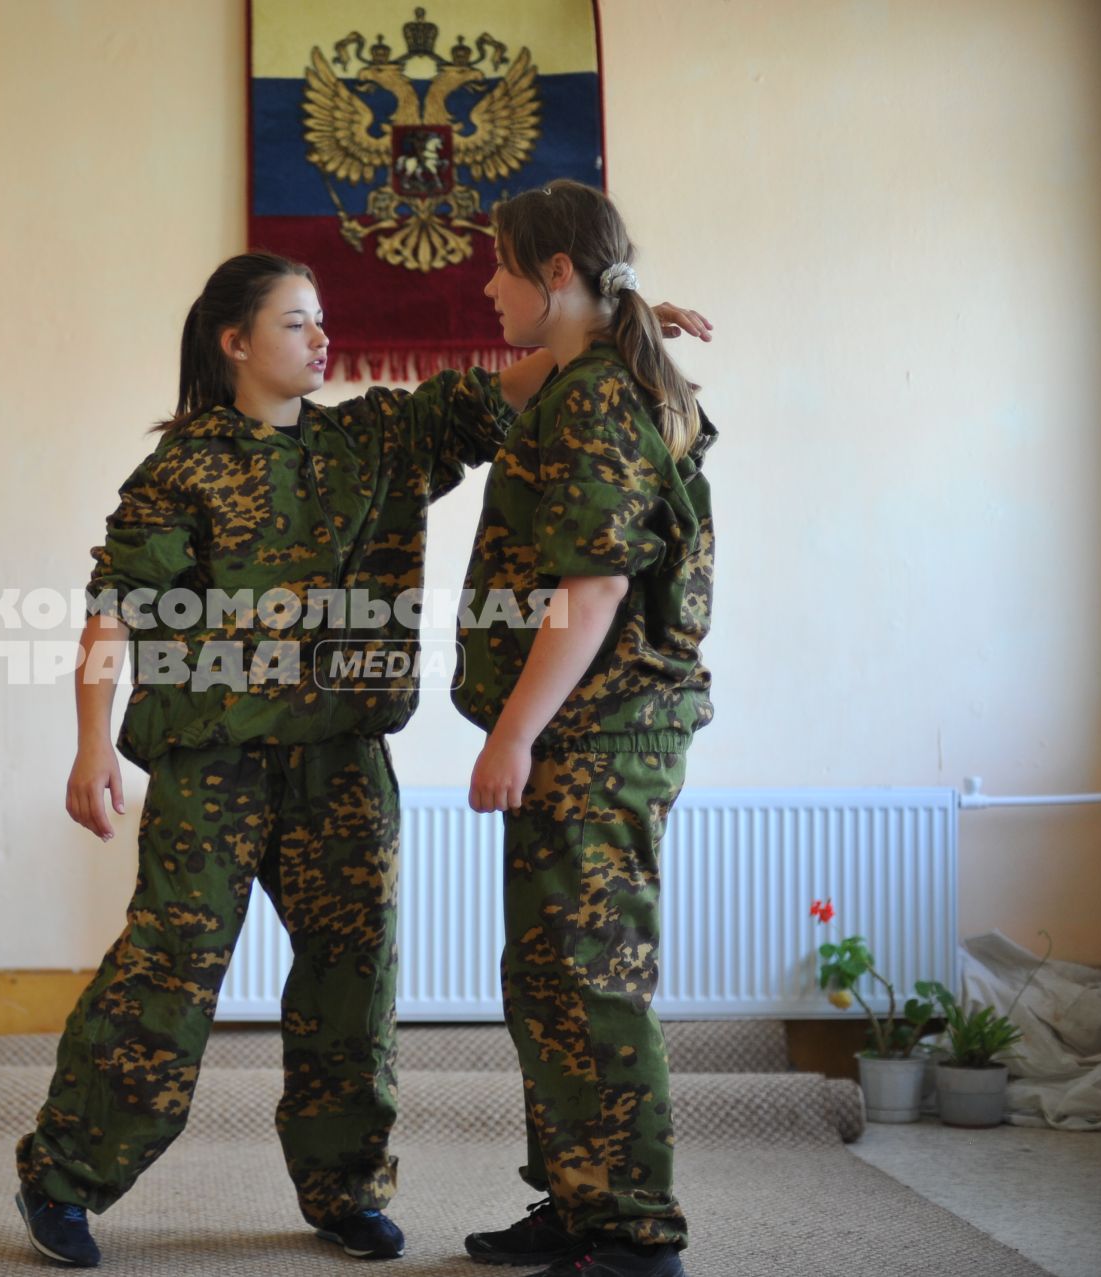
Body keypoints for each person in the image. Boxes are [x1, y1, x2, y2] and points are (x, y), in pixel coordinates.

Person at [14, 249, 709, 1268]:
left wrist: (615, 326)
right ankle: (63, 1174)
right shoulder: (184, 466)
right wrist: (88, 745)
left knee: (353, 978)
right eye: (296, 322)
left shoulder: (379, 439)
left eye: (321, 320)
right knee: (170, 969)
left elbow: (519, 380)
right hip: (216, 764)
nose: (320, 337)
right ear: (235, 342)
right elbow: (116, 607)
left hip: (342, 761)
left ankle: (344, 1187)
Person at [453, 180, 717, 1277]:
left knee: (590, 978)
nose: (486, 284)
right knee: (551, 977)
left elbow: (595, 584)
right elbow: (521, 374)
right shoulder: (587, 372)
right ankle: (577, 1195)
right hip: (589, 731)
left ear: (556, 273)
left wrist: (511, 734)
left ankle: (633, 1229)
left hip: (595, 733)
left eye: (503, 267)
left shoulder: (601, 397)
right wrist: (626, 312)